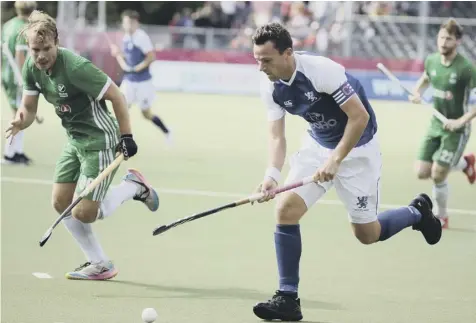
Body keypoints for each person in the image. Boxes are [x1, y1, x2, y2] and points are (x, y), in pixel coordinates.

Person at [250, 22, 442, 322]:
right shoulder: (269, 85)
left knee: (367, 234)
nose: (260, 66)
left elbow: (359, 117)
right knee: (285, 210)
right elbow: (277, 136)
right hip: (317, 146)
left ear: (288, 53)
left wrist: (337, 159)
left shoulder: (320, 70)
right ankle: (287, 298)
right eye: (256, 59)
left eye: (266, 59)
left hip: (358, 150)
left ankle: (417, 212)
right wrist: (271, 175)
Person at [5, 10, 160, 280]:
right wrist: (21, 121)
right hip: (75, 139)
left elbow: (118, 97)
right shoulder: (32, 67)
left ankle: (134, 187)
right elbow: (28, 109)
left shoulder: (75, 67)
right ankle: (99, 263)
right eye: (35, 49)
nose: (41, 55)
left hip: (101, 138)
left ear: (56, 41)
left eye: (46, 48)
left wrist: (127, 136)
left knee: (85, 213)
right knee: (60, 202)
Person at [409, 18, 476, 229]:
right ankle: (466, 163)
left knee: (438, 173)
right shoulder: (432, 60)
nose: (443, 42)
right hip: (436, 124)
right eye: (441, 37)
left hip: (457, 129)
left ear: (457, 41)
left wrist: (460, 122)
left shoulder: (466, 69)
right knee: (421, 172)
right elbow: (426, 78)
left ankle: (441, 216)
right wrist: (417, 93)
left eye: (448, 38)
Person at [110, 10, 172, 145]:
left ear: (136, 23)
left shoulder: (141, 37)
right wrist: (118, 54)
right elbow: (128, 58)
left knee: (146, 114)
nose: (128, 25)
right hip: (129, 81)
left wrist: (136, 68)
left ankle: (167, 131)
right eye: (126, 23)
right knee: (121, 107)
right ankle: (120, 140)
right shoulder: (126, 38)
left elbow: (151, 57)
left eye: (131, 23)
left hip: (143, 82)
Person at [1, 1, 37, 165]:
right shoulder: (24, 28)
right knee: (19, 115)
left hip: (7, 74)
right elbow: (20, 54)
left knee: (19, 113)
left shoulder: (8, 25)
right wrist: (24, 79)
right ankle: (10, 154)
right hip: (16, 76)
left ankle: (17, 151)